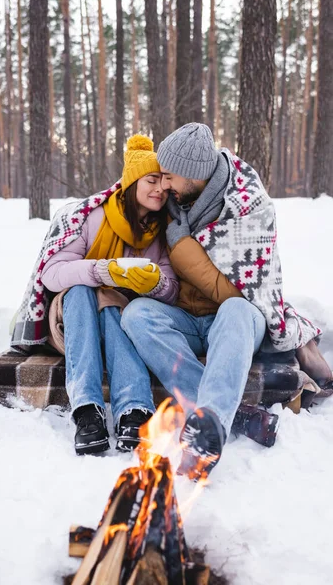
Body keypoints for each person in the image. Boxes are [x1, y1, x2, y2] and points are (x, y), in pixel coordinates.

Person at [120, 123, 330, 480]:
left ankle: (209, 428)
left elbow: (246, 294)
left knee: (234, 309)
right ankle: (231, 418)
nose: (164, 184)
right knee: (137, 315)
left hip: (238, 318)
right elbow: (126, 195)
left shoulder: (249, 203)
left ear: (194, 175)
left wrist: (183, 246)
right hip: (187, 317)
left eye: (169, 176)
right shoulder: (174, 202)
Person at [12, 134, 178, 456]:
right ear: (132, 182)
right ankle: (87, 410)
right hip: (72, 320)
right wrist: (102, 271)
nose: (160, 189)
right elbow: (53, 272)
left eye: (164, 183)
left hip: (118, 324)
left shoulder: (159, 233)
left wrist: (153, 284)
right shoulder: (93, 218)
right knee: (82, 292)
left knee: (116, 304)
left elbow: (171, 290)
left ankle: (134, 411)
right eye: (151, 180)